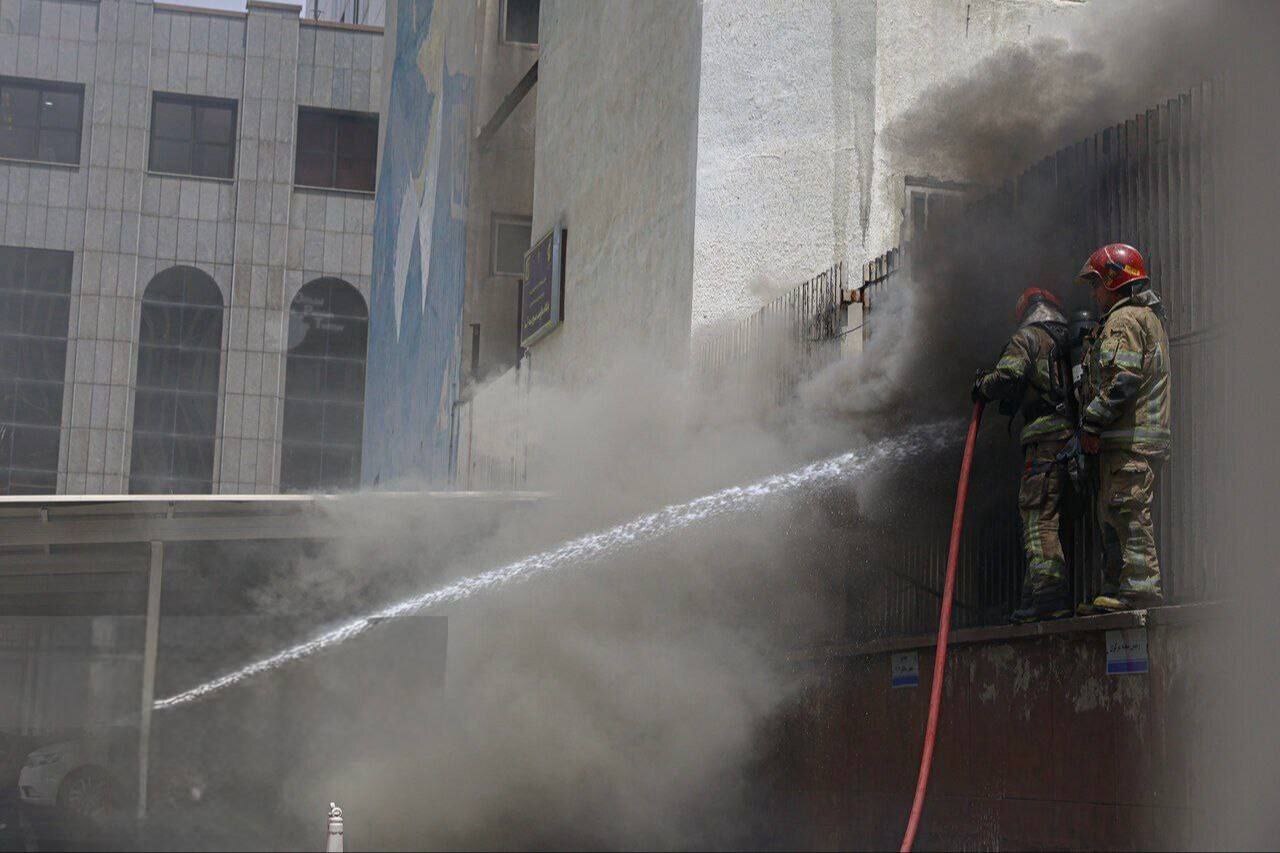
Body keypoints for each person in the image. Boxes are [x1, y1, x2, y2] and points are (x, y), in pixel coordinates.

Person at [1075, 243, 1171, 612]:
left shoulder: (1124, 320)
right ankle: (1116, 589)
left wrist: (1091, 423)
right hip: (1134, 438)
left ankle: (1140, 589)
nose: (1094, 293)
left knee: (1128, 510)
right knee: (1114, 511)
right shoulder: (1146, 318)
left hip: (1130, 438)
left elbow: (1122, 380)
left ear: (1114, 281)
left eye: (1096, 284)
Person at [972, 286, 1074, 623]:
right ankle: (1034, 597)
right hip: (1073, 438)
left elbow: (1009, 376)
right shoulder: (1070, 340)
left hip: (1042, 439)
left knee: (1037, 517)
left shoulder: (1027, 338)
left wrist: (984, 385)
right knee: (1050, 515)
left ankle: (1048, 597)